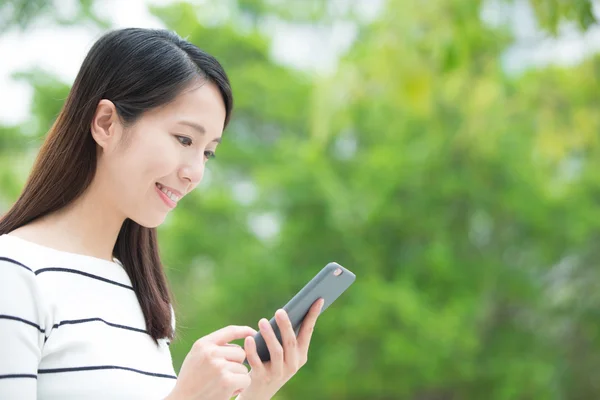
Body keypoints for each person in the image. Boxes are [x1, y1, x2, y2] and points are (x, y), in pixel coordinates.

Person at [0, 28, 324, 400]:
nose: (194, 172)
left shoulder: (145, 297)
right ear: (106, 122)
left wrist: (257, 390)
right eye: (184, 139)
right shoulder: (13, 272)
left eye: (207, 153)